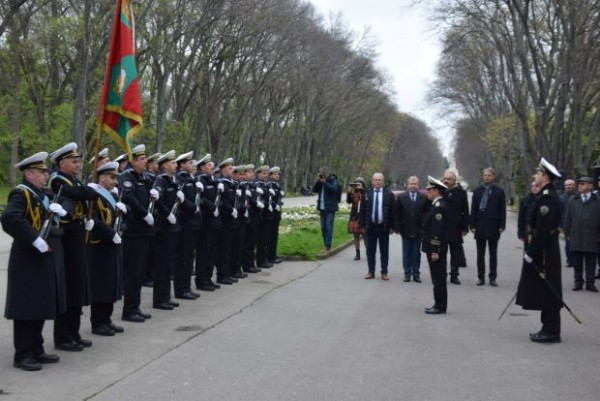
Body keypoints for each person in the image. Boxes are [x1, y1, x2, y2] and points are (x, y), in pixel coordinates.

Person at [2, 151, 65, 371]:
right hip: (27, 257)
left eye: (46, 171)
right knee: (26, 308)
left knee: (39, 304)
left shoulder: (40, 193)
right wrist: (34, 239)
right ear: (29, 174)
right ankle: (23, 354)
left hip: (41, 257)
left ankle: (36, 348)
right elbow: (10, 218)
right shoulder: (21, 194)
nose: (46, 174)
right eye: (41, 171)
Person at [49, 142, 98, 352]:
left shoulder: (73, 179)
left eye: (78, 161)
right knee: (68, 287)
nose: (78, 164)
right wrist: (89, 190)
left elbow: (85, 195)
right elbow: (79, 194)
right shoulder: (57, 180)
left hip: (78, 235)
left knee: (78, 286)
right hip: (66, 239)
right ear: (62, 163)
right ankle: (63, 337)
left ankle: (74, 332)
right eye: (73, 161)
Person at [517, 158, 563, 343]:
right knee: (545, 290)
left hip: (545, 252)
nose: (535, 176)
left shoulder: (547, 198)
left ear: (545, 176)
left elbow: (543, 231)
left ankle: (552, 330)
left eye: (538, 173)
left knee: (549, 289)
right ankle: (547, 327)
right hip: (544, 250)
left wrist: (531, 252)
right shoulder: (544, 195)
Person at [87, 162, 126, 336]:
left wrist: (122, 221)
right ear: (101, 177)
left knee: (111, 283)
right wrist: (110, 233)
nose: (114, 180)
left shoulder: (111, 195)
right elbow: (94, 220)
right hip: (100, 245)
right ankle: (98, 322)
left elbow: (115, 219)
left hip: (112, 244)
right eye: (111, 177)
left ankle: (107, 319)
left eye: (115, 177)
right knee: (101, 285)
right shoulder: (94, 195)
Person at [118, 144, 155, 322]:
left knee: (139, 272)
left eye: (145, 158)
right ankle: (129, 310)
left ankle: (135, 306)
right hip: (134, 230)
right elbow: (129, 197)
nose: (145, 161)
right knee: (132, 272)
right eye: (141, 159)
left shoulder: (145, 178)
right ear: (133, 162)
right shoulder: (127, 177)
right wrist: (144, 213)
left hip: (144, 231)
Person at [152, 150, 183, 310]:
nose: (175, 165)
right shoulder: (161, 181)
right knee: (162, 265)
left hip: (173, 227)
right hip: (163, 227)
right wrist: (167, 215)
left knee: (169, 264)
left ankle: (166, 296)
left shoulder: (174, 181)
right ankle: (159, 299)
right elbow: (159, 202)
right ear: (164, 165)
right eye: (172, 163)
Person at [470, 167, 506, 286]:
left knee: (493, 254)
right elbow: (474, 209)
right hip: (480, 225)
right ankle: (481, 277)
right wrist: (472, 225)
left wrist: (502, 225)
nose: (487, 177)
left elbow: (502, 210)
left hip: (494, 226)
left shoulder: (499, 192)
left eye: (489, 175)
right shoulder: (477, 191)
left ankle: (492, 277)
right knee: (480, 254)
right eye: (485, 175)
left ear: (493, 177)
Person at [564, 176, 600, 292]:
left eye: (583, 183)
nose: (579, 185)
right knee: (577, 262)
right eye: (579, 183)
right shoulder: (573, 200)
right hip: (576, 236)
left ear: (590, 186)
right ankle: (578, 282)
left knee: (591, 262)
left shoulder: (597, 201)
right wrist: (567, 233)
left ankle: (590, 283)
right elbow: (568, 218)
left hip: (592, 236)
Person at [174, 151, 201, 300]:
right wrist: (192, 207)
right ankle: (181, 289)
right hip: (185, 222)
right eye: (189, 163)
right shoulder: (180, 179)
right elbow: (180, 200)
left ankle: (187, 287)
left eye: (193, 162)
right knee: (183, 257)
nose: (193, 165)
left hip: (193, 223)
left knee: (190, 257)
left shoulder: (192, 179)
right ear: (182, 165)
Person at [421, 176, 449, 314]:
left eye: (429, 190)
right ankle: (439, 303)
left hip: (436, 249)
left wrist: (435, 250)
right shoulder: (437, 204)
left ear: (436, 191)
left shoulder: (439, 207)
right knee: (437, 277)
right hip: (434, 248)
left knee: (438, 278)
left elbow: (437, 231)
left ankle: (440, 306)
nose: (427, 192)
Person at [195, 155, 222, 290]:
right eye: (208, 165)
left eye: (212, 165)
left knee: (211, 251)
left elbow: (220, 199)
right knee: (204, 252)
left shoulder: (214, 181)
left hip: (215, 222)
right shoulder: (201, 181)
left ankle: (208, 277)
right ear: (202, 167)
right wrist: (213, 207)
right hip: (205, 222)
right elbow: (201, 200)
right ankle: (201, 280)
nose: (211, 167)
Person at [361, 172, 395, 280]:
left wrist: (392, 226)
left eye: (379, 180)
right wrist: (363, 225)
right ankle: (371, 271)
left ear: (383, 182)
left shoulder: (388, 194)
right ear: (372, 181)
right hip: (370, 226)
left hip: (383, 226)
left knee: (384, 251)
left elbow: (393, 211)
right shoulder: (367, 193)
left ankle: (384, 272)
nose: (377, 182)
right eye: (375, 180)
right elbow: (362, 210)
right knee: (370, 250)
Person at [396, 176, 429, 282]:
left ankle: (416, 274)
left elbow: (427, 212)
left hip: (418, 230)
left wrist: (424, 224)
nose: (413, 185)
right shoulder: (401, 197)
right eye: (411, 183)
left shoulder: (424, 197)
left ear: (418, 185)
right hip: (405, 229)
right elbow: (397, 214)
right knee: (406, 253)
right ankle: (407, 273)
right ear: (407, 184)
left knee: (416, 253)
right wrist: (397, 227)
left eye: (415, 184)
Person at [215, 158, 240, 284]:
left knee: (229, 248)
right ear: (223, 169)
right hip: (224, 220)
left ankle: (227, 273)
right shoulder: (222, 184)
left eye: (232, 168)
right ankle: (221, 275)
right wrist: (230, 210)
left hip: (231, 221)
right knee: (223, 249)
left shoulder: (231, 184)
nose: (232, 170)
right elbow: (222, 202)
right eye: (230, 168)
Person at [442, 171, 469, 284]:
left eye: (449, 179)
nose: (447, 181)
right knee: (441, 253)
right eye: (445, 178)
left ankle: (454, 275)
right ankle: (442, 274)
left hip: (456, 227)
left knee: (455, 253)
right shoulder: (439, 191)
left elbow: (466, 210)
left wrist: (465, 227)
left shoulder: (461, 192)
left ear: (454, 180)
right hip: (442, 227)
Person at [313, 167, 339, 252]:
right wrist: (318, 181)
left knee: (329, 227)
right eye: (321, 174)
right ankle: (325, 244)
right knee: (323, 228)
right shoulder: (321, 181)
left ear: (327, 174)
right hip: (322, 208)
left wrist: (325, 183)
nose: (323, 176)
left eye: (324, 174)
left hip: (330, 208)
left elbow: (334, 189)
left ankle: (328, 246)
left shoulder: (333, 179)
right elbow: (314, 190)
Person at [346, 177, 367, 261]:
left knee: (365, 235)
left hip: (363, 216)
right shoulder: (353, 192)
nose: (357, 185)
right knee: (356, 236)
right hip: (354, 216)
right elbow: (348, 201)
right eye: (356, 184)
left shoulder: (366, 192)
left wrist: (362, 190)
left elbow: (368, 201)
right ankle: (357, 253)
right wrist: (348, 193)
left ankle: (368, 252)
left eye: (359, 184)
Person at [267, 166, 284, 265]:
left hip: (276, 214)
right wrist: (275, 205)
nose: (277, 176)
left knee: (274, 236)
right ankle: (270, 256)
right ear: (271, 175)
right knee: (270, 237)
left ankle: (273, 255)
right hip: (271, 213)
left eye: (278, 174)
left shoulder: (277, 185)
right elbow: (269, 199)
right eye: (275, 174)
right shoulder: (270, 185)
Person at [518, 179, 540, 246]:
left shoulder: (543, 199)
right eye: (532, 186)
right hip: (527, 231)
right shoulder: (525, 200)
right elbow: (521, 218)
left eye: (536, 186)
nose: (534, 188)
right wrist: (520, 233)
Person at [559, 179, 576, 267]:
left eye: (570, 185)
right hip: (566, 225)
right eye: (566, 185)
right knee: (568, 243)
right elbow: (559, 212)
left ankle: (576, 260)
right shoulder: (561, 198)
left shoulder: (578, 196)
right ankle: (569, 260)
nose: (568, 186)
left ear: (574, 186)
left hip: (577, 224)